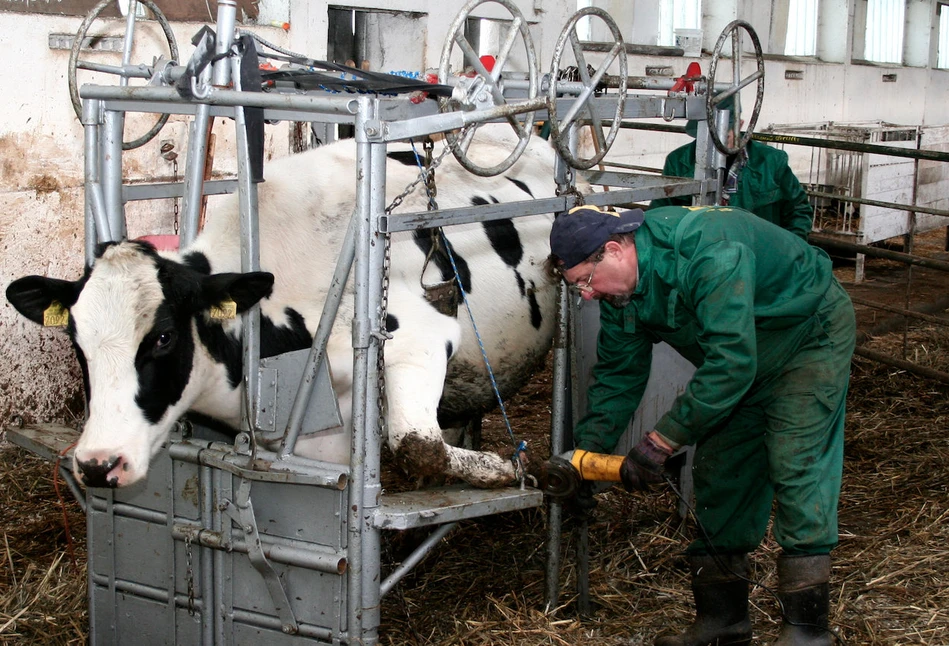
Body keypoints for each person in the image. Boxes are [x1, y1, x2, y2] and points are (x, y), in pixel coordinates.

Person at [547, 204, 855, 646]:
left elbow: (731, 364)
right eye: (577, 288)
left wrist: (660, 441)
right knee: (719, 474)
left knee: (796, 463)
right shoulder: (621, 293)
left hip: (804, 339)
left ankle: (807, 632)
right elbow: (616, 378)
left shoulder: (710, 252)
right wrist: (583, 460)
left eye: (585, 282)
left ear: (614, 250)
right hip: (736, 363)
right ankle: (723, 621)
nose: (587, 296)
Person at [650, 107, 815, 242]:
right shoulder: (679, 162)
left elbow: (798, 210)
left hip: (758, 254)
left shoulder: (771, 162)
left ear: (740, 125)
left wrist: (789, 251)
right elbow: (661, 213)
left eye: (723, 136)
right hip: (701, 256)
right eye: (707, 136)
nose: (713, 144)